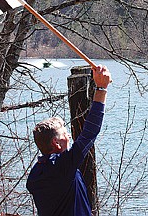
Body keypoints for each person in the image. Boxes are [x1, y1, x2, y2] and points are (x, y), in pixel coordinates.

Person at [26, 65, 111, 216]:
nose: (69, 136)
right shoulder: (61, 166)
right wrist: (101, 89)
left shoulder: (36, 174)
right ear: (56, 143)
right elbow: (89, 133)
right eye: (65, 134)